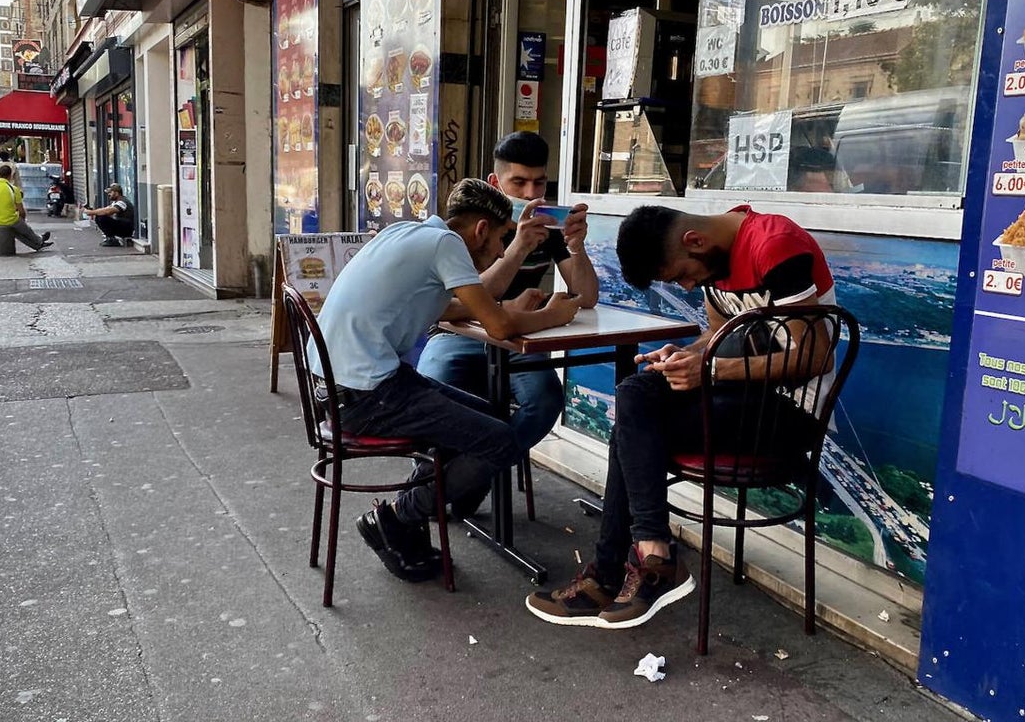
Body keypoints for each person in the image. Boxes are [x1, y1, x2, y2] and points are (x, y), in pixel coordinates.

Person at [525, 204, 835, 629]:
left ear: (694, 241)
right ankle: (648, 556)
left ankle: (625, 568)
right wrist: (686, 356)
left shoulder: (775, 246)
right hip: (736, 397)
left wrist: (710, 369)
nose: (688, 285)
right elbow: (718, 336)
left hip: (788, 412)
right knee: (635, 395)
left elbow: (815, 356)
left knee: (632, 429)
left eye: (682, 276)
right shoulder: (714, 258)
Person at [310, 178, 581, 581]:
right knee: (501, 442)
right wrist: (551, 316)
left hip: (339, 387)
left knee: (491, 417)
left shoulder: (410, 232)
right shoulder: (446, 245)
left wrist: (503, 309)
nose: (501, 251)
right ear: (481, 229)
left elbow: (449, 307)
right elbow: (499, 327)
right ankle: (397, 517)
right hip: (367, 396)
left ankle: (405, 518)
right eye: (501, 239)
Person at [417, 132, 599, 506]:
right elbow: (460, 301)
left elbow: (588, 297)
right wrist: (517, 249)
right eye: (519, 182)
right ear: (495, 183)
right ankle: (436, 487)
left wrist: (577, 248)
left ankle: (463, 481)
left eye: (539, 183)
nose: (531, 194)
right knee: (431, 393)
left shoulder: (549, 228)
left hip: (518, 342)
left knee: (545, 401)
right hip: (456, 335)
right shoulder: (470, 226)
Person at [0, 163, 52, 254]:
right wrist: (23, 220)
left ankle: (38, 245)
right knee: (24, 229)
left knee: (17, 232)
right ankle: (40, 240)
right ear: (10, 175)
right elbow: (21, 211)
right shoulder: (13, 189)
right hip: (11, 219)